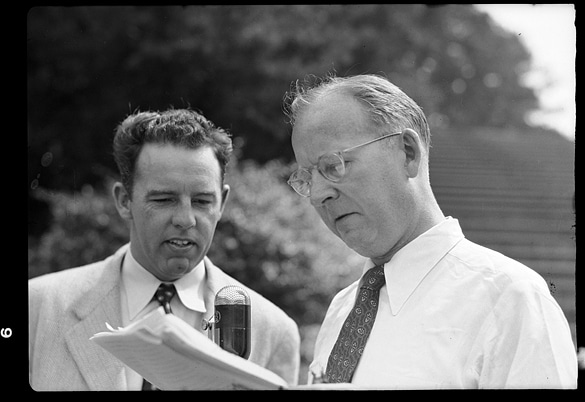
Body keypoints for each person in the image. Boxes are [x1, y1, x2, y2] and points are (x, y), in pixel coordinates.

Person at [283, 74, 577, 389]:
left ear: (408, 152)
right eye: (307, 179)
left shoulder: (511, 300)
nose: (317, 195)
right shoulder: (342, 308)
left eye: (333, 166)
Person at [29, 108, 301, 391]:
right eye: (163, 199)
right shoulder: (38, 307)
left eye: (202, 201)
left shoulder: (273, 331)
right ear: (124, 201)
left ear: (222, 202)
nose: (185, 219)